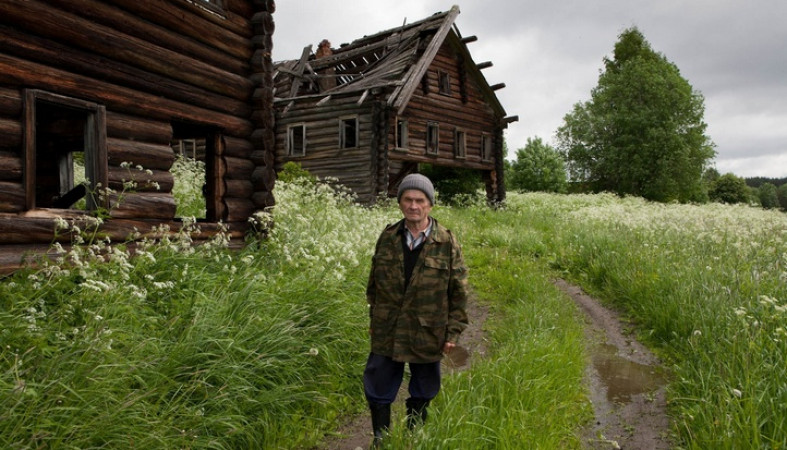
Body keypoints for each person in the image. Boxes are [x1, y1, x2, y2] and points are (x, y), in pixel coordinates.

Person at [363, 173, 469, 447]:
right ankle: (380, 440)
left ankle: (414, 437)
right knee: (378, 384)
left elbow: (458, 291)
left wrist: (453, 331)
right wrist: (374, 317)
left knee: (424, 387)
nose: (413, 205)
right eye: (408, 199)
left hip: (428, 329)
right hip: (388, 327)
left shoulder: (446, 242)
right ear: (400, 204)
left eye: (419, 200)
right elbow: (373, 282)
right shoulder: (387, 237)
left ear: (429, 205)